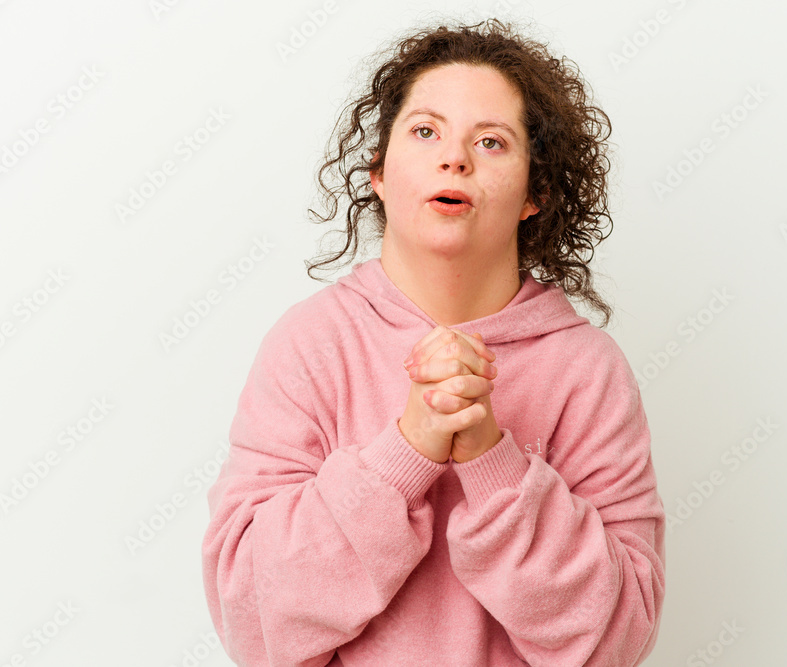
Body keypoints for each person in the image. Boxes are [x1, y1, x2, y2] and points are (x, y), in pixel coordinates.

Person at [201, 17, 666, 667]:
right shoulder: (307, 345)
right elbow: (252, 621)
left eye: (493, 142)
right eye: (425, 131)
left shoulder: (589, 371)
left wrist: (491, 461)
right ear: (379, 174)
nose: (456, 158)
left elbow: (616, 640)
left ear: (536, 193)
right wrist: (406, 451)